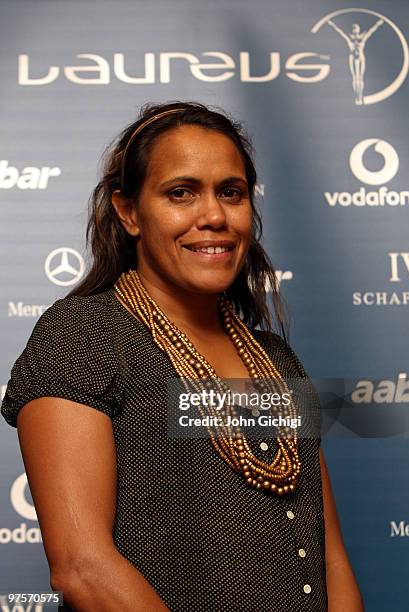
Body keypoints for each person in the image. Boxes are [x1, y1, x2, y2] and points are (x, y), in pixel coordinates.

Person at [1, 101, 364, 611]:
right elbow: (83, 567)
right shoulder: (83, 335)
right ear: (128, 211)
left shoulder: (275, 357)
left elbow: (332, 560)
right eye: (181, 193)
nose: (213, 215)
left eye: (231, 193)